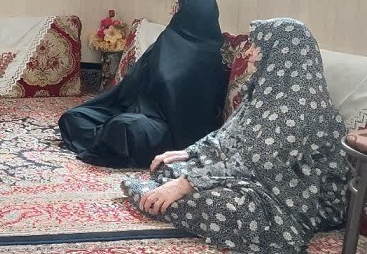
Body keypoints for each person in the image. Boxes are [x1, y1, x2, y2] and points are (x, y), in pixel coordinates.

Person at [121, 18, 348, 253]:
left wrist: (186, 184)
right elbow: (228, 134)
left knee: (218, 204)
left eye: (257, 46)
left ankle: (153, 196)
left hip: (298, 198)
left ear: (281, 54)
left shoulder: (300, 105)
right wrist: (190, 153)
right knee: (170, 167)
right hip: (260, 177)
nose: (248, 53)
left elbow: (258, 161)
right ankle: (163, 194)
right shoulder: (266, 92)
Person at [58, 0, 228, 168]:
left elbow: (198, 109)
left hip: (170, 128)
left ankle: (110, 138)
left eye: (177, 7)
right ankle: (108, 138)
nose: (172, 12)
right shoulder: (167, 39)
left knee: (123, 127)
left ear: (193, 12)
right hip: (139, 109)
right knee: (73, 117)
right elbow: (134, 81)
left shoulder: (210, 53)